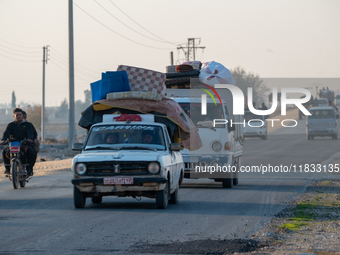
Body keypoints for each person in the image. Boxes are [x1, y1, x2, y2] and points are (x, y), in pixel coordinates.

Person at [1, 108, 37, 176]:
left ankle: (29, 169)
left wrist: (29, 139)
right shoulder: (10, 125)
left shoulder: (27, 124)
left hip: (24, 143)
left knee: (32, 151)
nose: (18, 116)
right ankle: (7, 169)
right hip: (12, 143)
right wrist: (3, 140)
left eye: (20, 115)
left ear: (22, 115)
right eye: (17, 115)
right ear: (14, 116)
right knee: (4, 151)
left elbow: (30, 133)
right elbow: (6, 133)